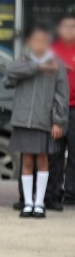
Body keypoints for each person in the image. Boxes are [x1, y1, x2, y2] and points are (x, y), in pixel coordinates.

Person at [5, 24, 69, 219]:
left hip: (43, 121)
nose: (39, 44)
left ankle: (40, 203)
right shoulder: (22, 62)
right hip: (23, 121)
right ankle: (27, 203)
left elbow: (61, 95)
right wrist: (38, 67)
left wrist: (58, 121)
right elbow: (9, 75)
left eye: (43, 40)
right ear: (28, 43)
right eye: (35, 40)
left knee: (42, 161)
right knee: (26, 161)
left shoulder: (56, 64)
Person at [49, 14, 75, 210]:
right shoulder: (51, 51)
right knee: (54, 153)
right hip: (55, 109)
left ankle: (71, 193)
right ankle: (53, 192)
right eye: (66, 26)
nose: (70, 29)